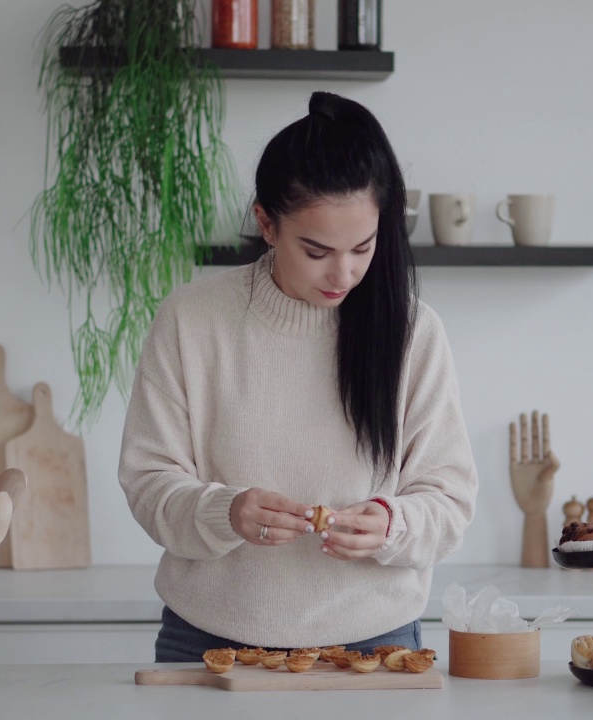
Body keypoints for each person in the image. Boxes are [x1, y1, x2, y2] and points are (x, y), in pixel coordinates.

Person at [118, 91, 479, 662]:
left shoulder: (413, 331)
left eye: (363, 246)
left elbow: (451, 498)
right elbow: (148, 481)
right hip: (209, 642)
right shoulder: (192, 318)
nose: (345, 273)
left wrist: (394, 524)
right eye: (316, 251)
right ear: (266, 223)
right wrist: (226, 512)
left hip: (373, 644)